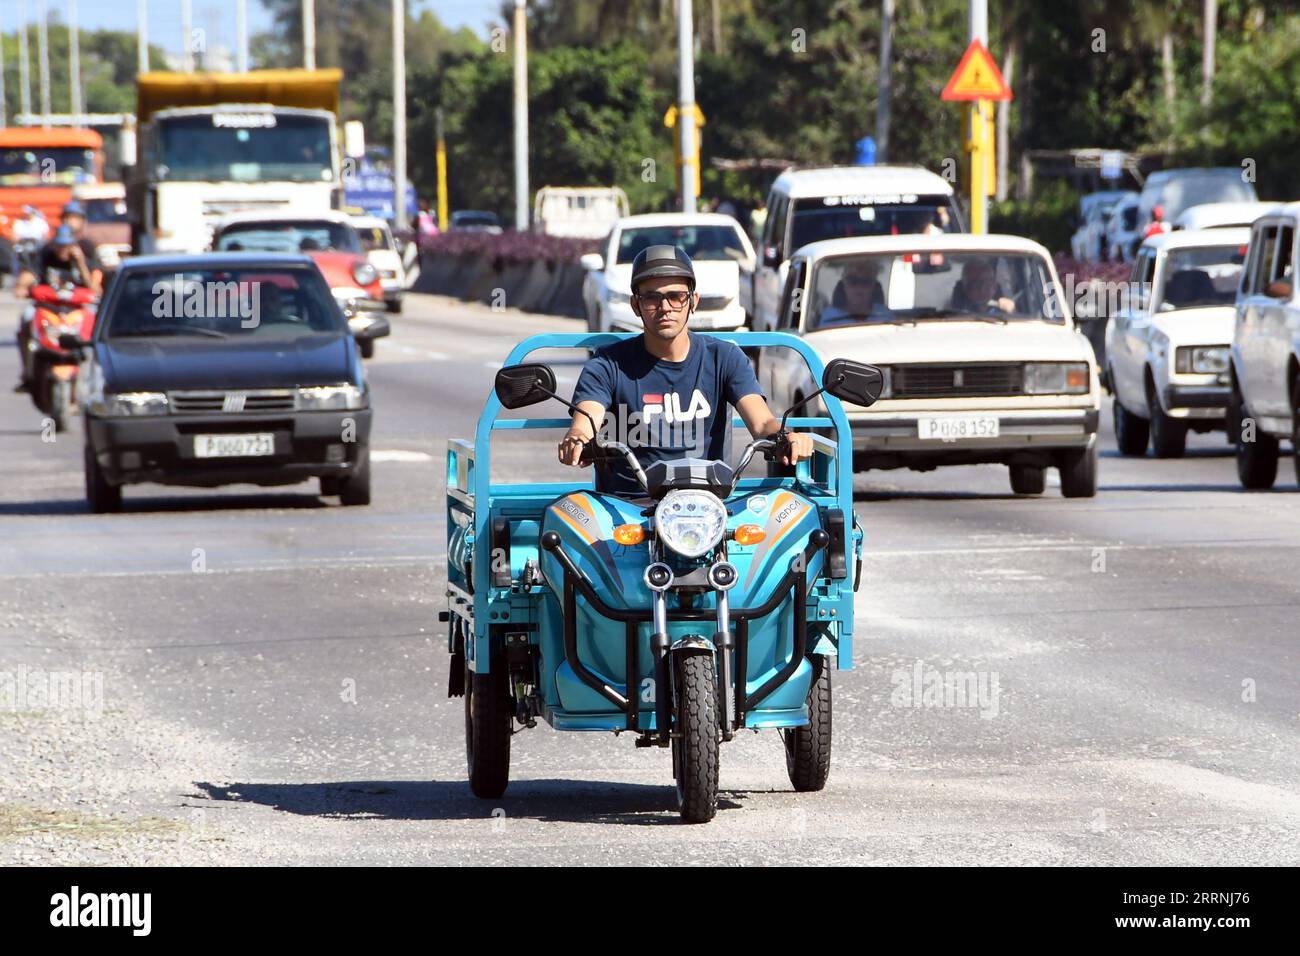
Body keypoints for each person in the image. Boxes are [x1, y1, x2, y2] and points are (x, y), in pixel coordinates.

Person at [558, 244, 814, 494]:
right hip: (628, 509)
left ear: (693, 301)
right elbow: (585, 422)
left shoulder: (725, 357)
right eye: (651, 298)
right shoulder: (607, 364)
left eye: (676, 296)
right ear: (636, 306)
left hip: (707, 502)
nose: (665, 307)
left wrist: (786, 437)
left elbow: (763, 423)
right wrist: (578, 439)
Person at [13, 225, 97, 392]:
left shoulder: (84, 256)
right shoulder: (46, 255)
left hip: (76, 308)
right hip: (49, 307)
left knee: (95, 323)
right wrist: (22, 286)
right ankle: (28, 373)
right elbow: (30, 273)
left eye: (66, 246)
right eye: (59, 246)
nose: (62, 250)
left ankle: (94, 377)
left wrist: (80, 262)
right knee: (27, 317)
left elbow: (93, 288)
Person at [816, 259, 890, 326]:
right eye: (852, 281)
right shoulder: (830, 316)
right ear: (843, 285)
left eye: (866, 281)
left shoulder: (885, 314)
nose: (859, 288)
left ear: (874, 286)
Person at [949, 258, 1016, 315]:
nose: (982, 289)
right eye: (976, 283)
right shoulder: (955, 315)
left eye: (987, 282)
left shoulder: (1004, 309)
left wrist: (1012, 311)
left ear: (995, 285)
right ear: (965, 287)